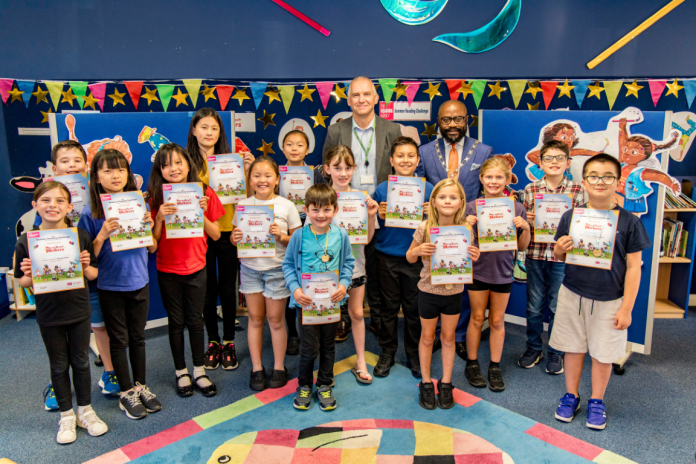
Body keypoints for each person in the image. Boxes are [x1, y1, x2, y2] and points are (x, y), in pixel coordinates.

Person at [551, 154, 651, 430]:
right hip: (573, 294)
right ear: (583, 181)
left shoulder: (630, 222)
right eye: (593, 175)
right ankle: (571, 395)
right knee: (572, 348)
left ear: (618, 182)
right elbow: (560, 255)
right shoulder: (571, 216)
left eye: (608, 176)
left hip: (610, 300)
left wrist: (627, 308)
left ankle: (597, 400)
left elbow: (634, 268)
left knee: (603, 354)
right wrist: (560, 248)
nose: (600, 181)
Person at [16, 181, 108, 444]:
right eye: (45, 200)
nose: (52, 205)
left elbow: (93, 274)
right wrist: (29, 275)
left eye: (59, 201)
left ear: (70, 206)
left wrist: (86, 265)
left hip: (78, 309)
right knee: (58, 364)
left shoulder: (79, 236)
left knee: (80, 361)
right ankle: (67, 414)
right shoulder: (26, 241)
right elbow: (23, 282)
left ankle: (86, 411)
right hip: (49, 312)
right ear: (35, 206)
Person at [78, 149, 161, 420]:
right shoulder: (90, 213)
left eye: (121, 169)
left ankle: (140, 385)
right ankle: (126, 392)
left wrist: (148, 228)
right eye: (108, 170)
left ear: (128, 174)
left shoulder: (139, 203)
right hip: (110, 285)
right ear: (96, 177)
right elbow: (89, 258)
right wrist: (102, 235)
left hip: (139, 281)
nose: (115, 175)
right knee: (119, 340)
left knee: (138, 338)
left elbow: (152, 249)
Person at [38, 141, 120, 411]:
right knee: (57, 334)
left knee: (98, 325)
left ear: (86, 165)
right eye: (65, 160)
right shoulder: (47, 197)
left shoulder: (94, 194)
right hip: (58, 281)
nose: (71, 165)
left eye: (77, 160)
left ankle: (109, 372)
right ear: (54, 166)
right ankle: (56, 382)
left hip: (90, 271)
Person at [322, 76, 402, 339]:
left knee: (377, 270)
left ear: (376, 98)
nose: (361, 100)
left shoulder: (392, 129)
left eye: (367, 94)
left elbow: (398, 172)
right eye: (355, 95)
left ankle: (377, 319)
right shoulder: (336, 130)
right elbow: (327, 171)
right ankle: (343, 317)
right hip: (342, 214)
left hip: (377, 212)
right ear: (348, 100)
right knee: (340, 264)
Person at [416, 100, 494, 361]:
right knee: (436, 280)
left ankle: (458, 336)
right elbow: (419, 190)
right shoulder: (424, 151)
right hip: (435, 228)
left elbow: (487, 191)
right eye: (446, 120)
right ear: (438, 121)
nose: (451, 124)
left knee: (459, 283)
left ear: (467, 120)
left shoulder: (483, 150)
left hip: (466, 227)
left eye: (457, 119)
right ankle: (438, 334)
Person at [147, 143, 225, 397]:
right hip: (168, 269)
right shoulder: (154, 197)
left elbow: (215, 234)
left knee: (195, 319)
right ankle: (181, 371)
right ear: (159, 169)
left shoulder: (204, 192)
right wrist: (158, 218)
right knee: (176, 321)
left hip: (196, 267)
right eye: (166, 164)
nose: (173, 168)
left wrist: (200, 213)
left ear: (188, 164)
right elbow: (152, 245)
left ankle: (199, 371)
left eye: (178, 162)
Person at [187, 108, 254, 372]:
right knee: (206, 290)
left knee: (228, 288)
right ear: (194, 130)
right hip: (200, 233)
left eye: (214, 128)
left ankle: (228, 341)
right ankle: (212, 342)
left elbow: (246, 197)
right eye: (204, 127)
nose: (209, 133)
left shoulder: (232, 160)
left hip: (228, 230)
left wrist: (247, 170)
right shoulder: (187, 162)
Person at [406, 179, 480, 410]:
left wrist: (474, 255)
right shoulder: (424, 227)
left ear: (461, 203)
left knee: (448, 339)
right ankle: (426, 382)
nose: (447, 201)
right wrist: (417, 250)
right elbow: (409, 257)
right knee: (428, 338)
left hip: (454, 293)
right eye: (442, 197)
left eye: (453, 197)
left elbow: (469, 259)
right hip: (428, 292)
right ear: (434, 202)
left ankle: (446, 383)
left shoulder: (466, 230)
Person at [231, 156, 302, 391]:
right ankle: (257, 368)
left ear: (277, 179)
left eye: (268, 175)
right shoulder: (242, 205)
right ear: (249, 180)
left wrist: (281, 236)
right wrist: (235, 238)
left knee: (275, 320)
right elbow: (234, 236)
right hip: (251, 269)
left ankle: (279, 367)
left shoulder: (287, 206)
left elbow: (298, 241)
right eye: (257, 175)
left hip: (277, 270)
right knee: (255, 319)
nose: (262, 180)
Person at [282, 184, 355, 411]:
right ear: (306, 209)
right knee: (308, 348)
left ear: (335, 209)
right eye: (315, 210)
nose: (321, 215)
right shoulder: (299, 236)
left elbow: (348, 264)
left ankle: (324, 384)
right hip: (306, 304)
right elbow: (288, 266)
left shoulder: (341, 235)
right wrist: (295, 290)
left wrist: (344, 285)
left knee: (328, 346)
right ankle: (304, 385)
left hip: (332, 304)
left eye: (326, 210)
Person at [464, 157, 530, 392]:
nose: (493, 182)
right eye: (489, 177)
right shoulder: (470, 207)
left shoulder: (517, 207)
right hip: (478, 271)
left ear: (507, 180)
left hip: (502, 272)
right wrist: (465, 225)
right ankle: (472, 363)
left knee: (497, 320)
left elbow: (522, 247)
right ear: (481, 179)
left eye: (499, 177)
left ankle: (494, 365)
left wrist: (526, 227)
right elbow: (462, 247)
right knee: (477, 318)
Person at [519, 140, 585, 374]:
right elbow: (523, 224)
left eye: (559, 158)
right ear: (540, 162)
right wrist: (528, 219)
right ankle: (534, 347)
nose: (554, 162)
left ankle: (557, 352)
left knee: (558, 307)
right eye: (548, 158)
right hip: (535, 254)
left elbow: (582, 226)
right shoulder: (530, 190)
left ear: (568, 163)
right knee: (534, 307)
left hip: (562, 259)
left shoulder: (577, 190)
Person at [372, 136, 434, 378]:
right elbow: (372, 225)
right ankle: (387, 351)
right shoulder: (381, 189)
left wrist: (431, 215)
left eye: (410, 156)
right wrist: (379, 213)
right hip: (387, 255)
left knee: (413, 308)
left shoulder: (428, 189)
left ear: (418, 160)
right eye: (400, 156)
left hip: (416, 258)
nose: (405, 160)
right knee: (387, 308)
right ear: (391, 161)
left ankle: (414, 353)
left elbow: (438, 227)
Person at [323, 145, 378, 382]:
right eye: (337, 168)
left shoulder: (362, 199)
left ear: (354, 169)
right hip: (325, 270)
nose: (343, 173)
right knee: (326, 318)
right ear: (327, 169)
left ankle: (360, 362)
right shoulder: (320, 197)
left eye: (347, 168)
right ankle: (325, 368)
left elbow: (365, 238)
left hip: (355, 266)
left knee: (356, 313)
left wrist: (372, 214)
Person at [280, 129, 326, 356]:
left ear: (308, 149)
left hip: (311, 229)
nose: (295, 148)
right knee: (291, 283)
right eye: (290, 144)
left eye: (300, 145)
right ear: (283, 148)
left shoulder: (315, 174)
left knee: (309, 277)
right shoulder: (277, 173)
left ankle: (313, 326)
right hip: (285, 230)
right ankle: (293, 334)